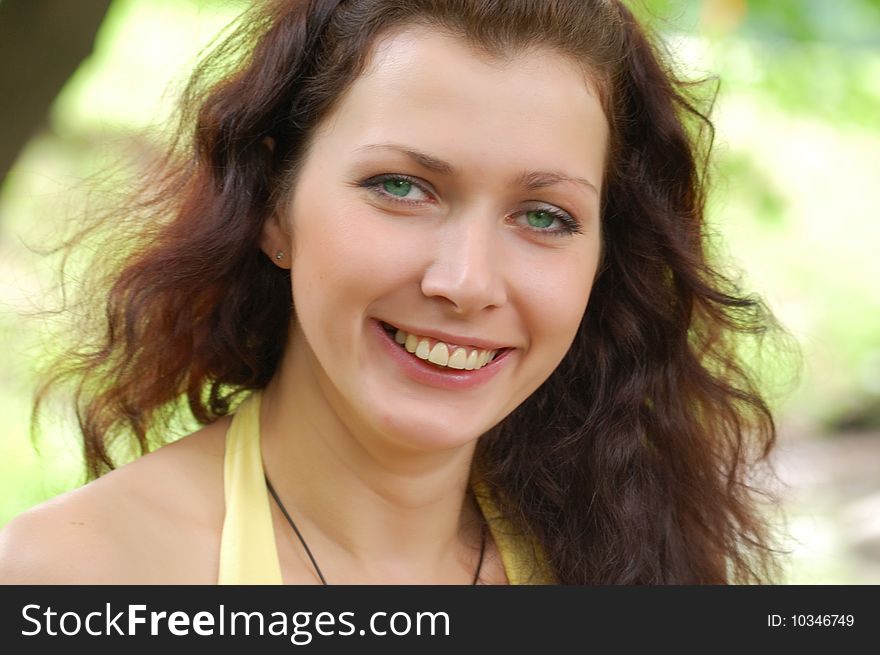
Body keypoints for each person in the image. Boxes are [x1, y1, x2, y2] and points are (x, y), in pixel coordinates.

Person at [0, 0, 785, 584]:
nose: (465, 282)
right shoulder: (74, 574)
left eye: (544, 215)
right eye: (402, 187)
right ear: (276, 205)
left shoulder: (637, 559)